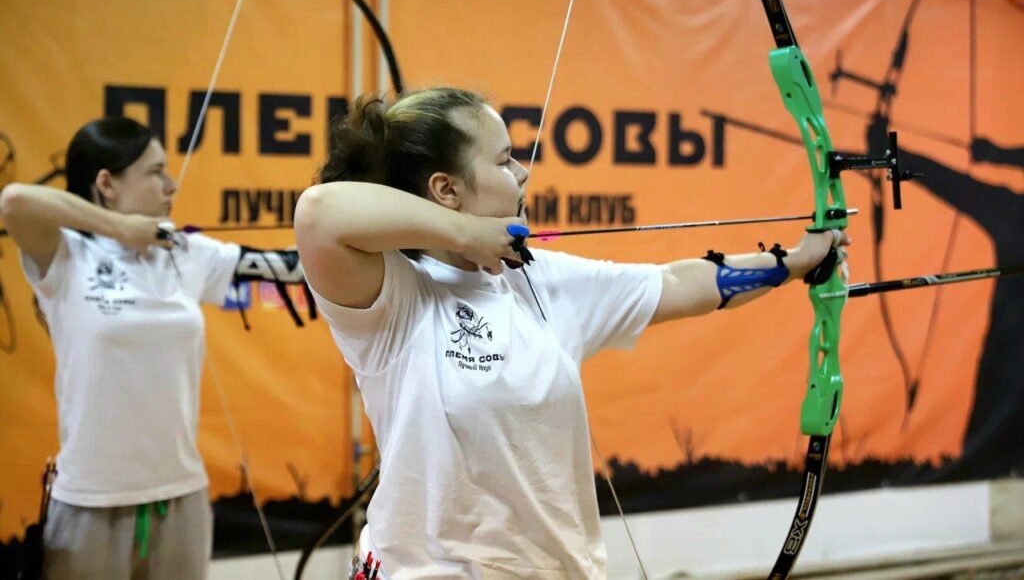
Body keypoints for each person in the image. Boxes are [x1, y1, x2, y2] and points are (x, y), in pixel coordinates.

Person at [294, 88, 849, 578]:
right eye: (505, 160)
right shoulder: (394, 295)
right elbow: (319, 214)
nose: (523, 174)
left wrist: (797, 262)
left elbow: (680, 284)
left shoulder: (539, 279)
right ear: (447, 190)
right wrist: (468, 233)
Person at [1, 116, 306, 580]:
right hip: (91, 501)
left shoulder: (185, 251)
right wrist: (119, 229)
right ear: (106, 183)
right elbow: (15, 200)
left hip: (181, 496)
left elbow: (291, 267)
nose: (171, 183)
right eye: (155, 171)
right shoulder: (63, 255)